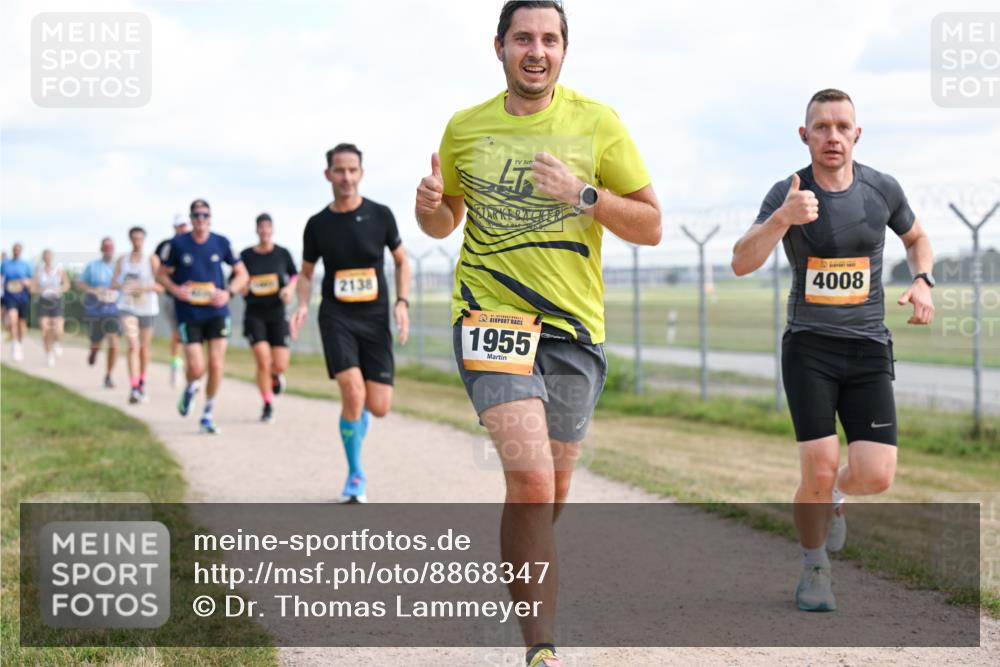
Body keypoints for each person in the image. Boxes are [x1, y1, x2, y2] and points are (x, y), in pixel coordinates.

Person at [413, 3, 661, 665]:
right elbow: (445, 222)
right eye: (523, 38)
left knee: (552, 488)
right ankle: (540, 647)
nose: (536, 50)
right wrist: (429, 207)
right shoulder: (466, 127)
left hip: (574, 330)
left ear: (564, 51)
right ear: (498, 47)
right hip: (490, 316)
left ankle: (520, 574)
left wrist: (584, 194)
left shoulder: (598, 123)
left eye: (549, 39)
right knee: (529, 480)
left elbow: (651, 225)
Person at [731, 88, 935, 612]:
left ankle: (836, 499)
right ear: (805, 136)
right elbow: (741, 262)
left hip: (868, 347)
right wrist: (783, 218)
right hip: (810, 348)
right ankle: (815, 567)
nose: (832, 136)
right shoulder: (788, 191)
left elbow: (917, 239)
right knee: (818, 469)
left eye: (842, 126)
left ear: (857, 134)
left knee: (875, 475)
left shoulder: (881, 189)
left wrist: (923, 280)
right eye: (821, 127)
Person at [290, 143, 411, 503]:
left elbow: (402, 262)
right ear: (328, 174)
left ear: (361, 173)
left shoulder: (381, 215)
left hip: (375, 319)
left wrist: (402, 302)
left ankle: (356, 422)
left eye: (352, 170)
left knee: (378, 406)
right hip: (336, 317)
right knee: (353, 393)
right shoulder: (317, 224)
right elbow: (306, 273)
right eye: (339, 170)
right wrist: (301, 303)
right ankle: (355, 474)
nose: (346, 177)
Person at [158, 199, 248, 434]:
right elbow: (161, 274)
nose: (200, 219)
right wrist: (175, 289)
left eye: (205, 215)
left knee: (216, 364)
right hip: (189, 313)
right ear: (191, 218)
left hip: (217, 312)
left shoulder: (221, 242)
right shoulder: (178, 244)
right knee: (197, 367)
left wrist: (228, 293)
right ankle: (191, 386)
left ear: (210, 218)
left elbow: (242, 274)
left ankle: (208, 413)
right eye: (196, 215)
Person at [238, 213, 298, 423]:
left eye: (267, 226)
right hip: (255, 314)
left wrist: (289, 289)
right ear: (256, 229)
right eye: (261, 227)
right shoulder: (246, 255)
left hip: (277, 314)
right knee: (263, 360)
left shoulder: (282, 254)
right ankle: (267, 404)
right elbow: (236, 277)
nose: (264, 230)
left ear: (272, 229)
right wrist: (243, 286)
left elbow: (294, 275)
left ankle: (274, 375)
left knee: (279, 364)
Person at [112, 226, 163, 404]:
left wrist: (143, 287)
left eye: (140, 238)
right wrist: (124, 286)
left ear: (144, 239)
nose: (137, 242)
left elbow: (162, 286)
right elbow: (114, 283)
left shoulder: (151, 260)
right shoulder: (122, 260)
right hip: (127, 306)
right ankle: (134, 387)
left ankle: (142, 382)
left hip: (147, 308)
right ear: (130, 239)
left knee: (143, 348)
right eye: (134, 238)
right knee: (133, 345)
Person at [78, 237, 122, 387]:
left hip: (114, 310)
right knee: (95, 342)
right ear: (102, 249)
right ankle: (93, 352)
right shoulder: (92, 266)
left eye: (111, 247)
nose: (109, 250)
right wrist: (93, 290)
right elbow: (80, 284)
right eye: (106, 247)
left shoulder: (119, 267)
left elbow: (127, 284)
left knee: (113, 341)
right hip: (95, 311)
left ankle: (109, 375)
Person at [156, 214, 191, 386]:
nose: (182, 229)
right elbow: (157, 268)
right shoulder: (166, 245)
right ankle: (175, 364)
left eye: (184, 225)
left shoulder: (194, 244)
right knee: (178, 333)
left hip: (194, 298)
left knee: (192, 336)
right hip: (173, 297)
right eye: (179, 226)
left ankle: (191, 368)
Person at [32, 249, 69, 367]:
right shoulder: (39, 272)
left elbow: (67, 285)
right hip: (43, 302)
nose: (47, 258)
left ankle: (56, 342)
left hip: (56, 301)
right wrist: (41, 289)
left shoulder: (59, 270)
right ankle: (49, 354)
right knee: (45, 330)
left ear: (52, 257)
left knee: (58, 329)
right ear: (43, 258)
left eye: (49, 256)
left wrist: (59, 289)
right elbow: (32, 289)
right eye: (45, 256)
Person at [1, 243, 33, 362]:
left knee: (21, 324)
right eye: (15, 249)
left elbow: (32, 281)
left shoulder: (27, 265)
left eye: (18, 249)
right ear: (12, 250)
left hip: (23, 297)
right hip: (9, 297)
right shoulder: (5, 264)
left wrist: (27, 282)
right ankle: (15, 345)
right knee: (12, 319)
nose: (16, 251)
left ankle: (19, 343)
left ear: (21, 251)